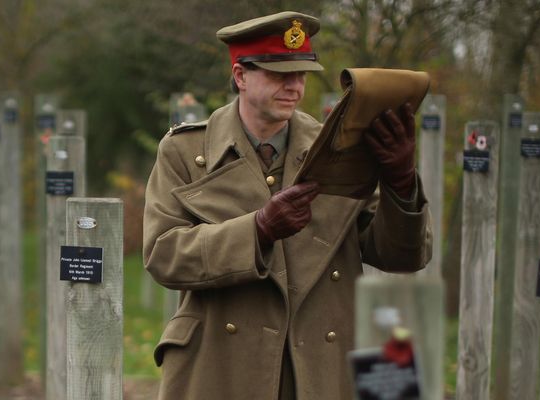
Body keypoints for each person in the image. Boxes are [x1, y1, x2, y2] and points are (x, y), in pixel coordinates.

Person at [143, 11, 431, 400]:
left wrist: (400, 183)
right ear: (241, 76)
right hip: (219, 367)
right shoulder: (185, 151)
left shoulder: (338, 149)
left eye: (301, 74)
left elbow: (402, 256)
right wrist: (257, 230)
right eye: (279, 74)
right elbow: (163, 253)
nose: (294, 86)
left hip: (319, 368)